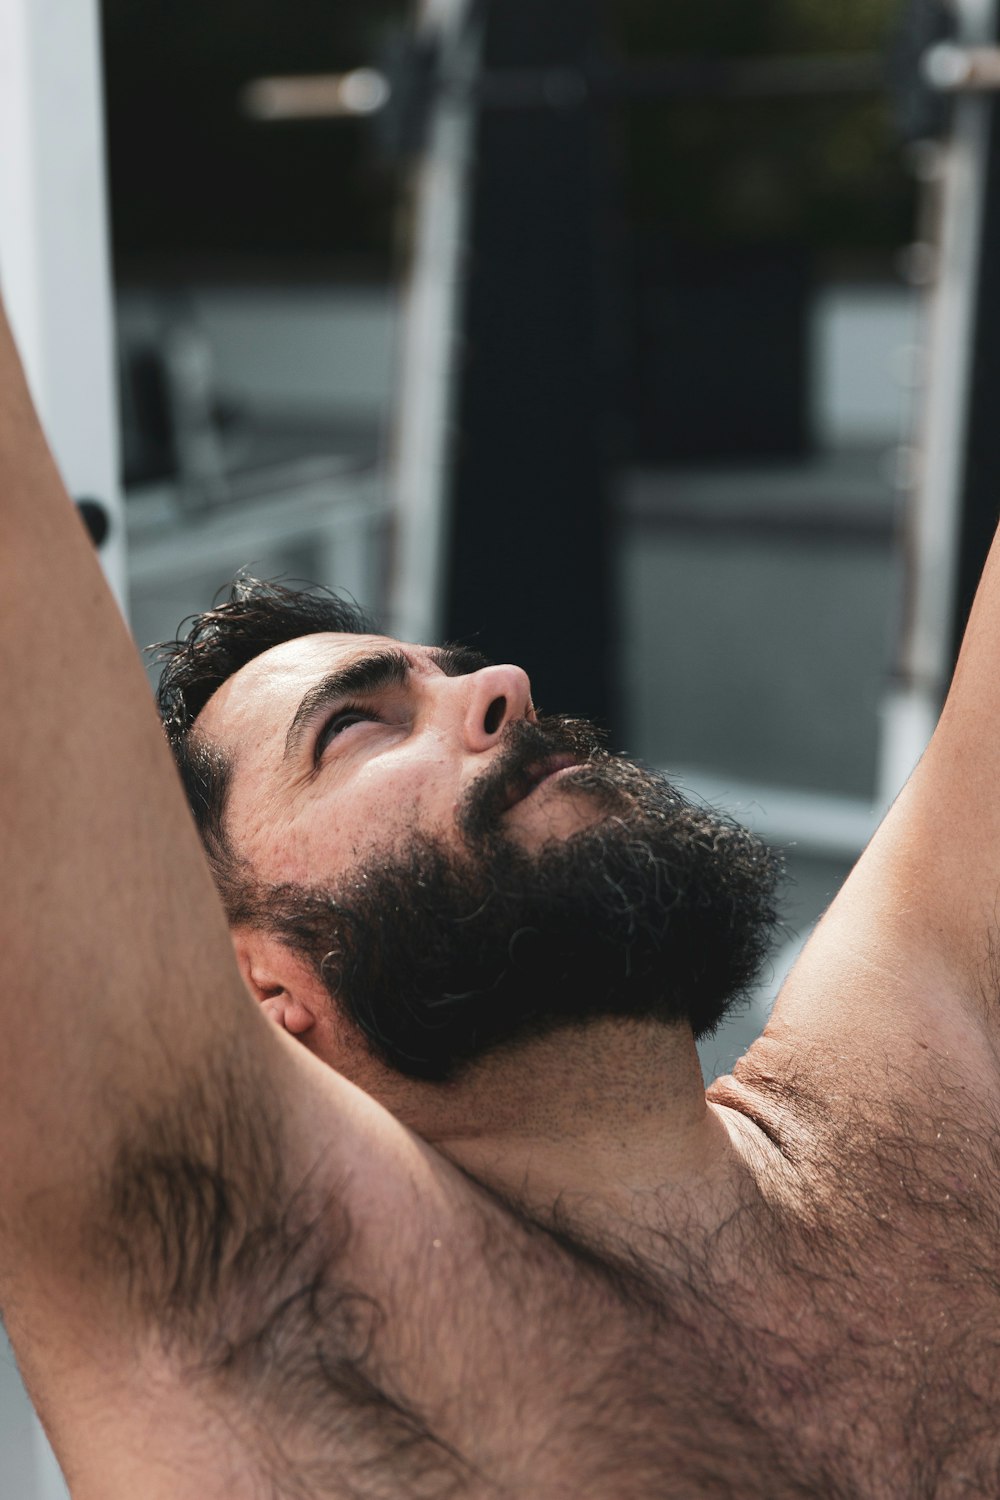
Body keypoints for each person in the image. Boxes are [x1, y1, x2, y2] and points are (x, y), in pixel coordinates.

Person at [2, 285, 1000, 1500]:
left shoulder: (928, 1093)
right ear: (256, 983)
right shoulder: (248, 1301)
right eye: (358, 729)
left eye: (462, 672)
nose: (504, 688)